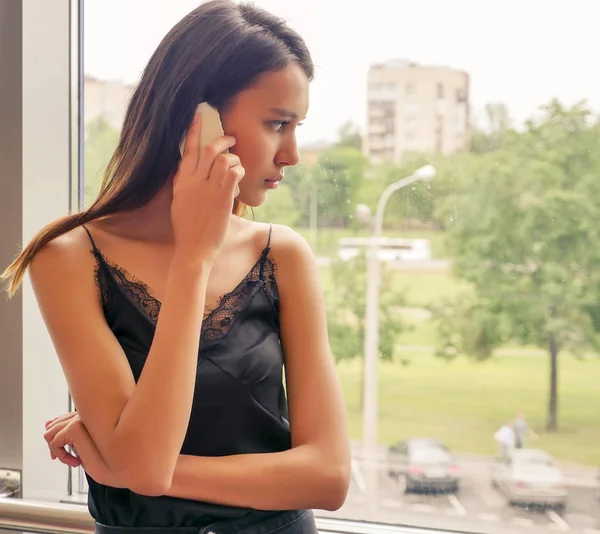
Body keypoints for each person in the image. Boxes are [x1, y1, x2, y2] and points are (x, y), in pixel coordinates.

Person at [1, 1, 350, 532]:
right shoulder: (69, 258)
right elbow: (142, 463)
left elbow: (328, 478)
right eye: (278, 124)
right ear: (198, 121)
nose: (292, 155)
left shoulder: (283, 255)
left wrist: (121, 465)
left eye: (297, 126)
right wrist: (195, 257)